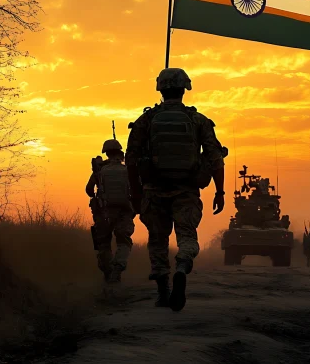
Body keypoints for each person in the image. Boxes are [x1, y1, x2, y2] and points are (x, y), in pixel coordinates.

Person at [125, 68, 227, 312]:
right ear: (184, 89)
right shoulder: (198, 120)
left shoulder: (146, 120)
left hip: (153, 191)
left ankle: (163, 292)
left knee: (157, 241)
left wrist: (136, 195)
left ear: (160, 89)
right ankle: (182, 265)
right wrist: (220, 192)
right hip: (186, 192)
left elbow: (131, 159)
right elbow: (215, 158)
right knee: (187, 238)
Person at [85, 139, 135, 283]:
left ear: (106, 153)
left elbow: (88, 190)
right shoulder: (127, 170)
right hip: (124, 211)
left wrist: (98, 195)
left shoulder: (100, 171)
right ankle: (118, 267)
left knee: (103, 243)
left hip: (104, 212)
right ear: (120, 153)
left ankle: (108, 272)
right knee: (124, 242)